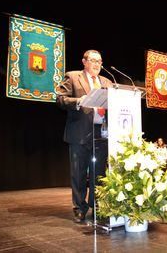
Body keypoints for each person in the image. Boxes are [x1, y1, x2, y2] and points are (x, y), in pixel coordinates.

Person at [56, 49, 113, 223]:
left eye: (100, 61)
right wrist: (78, 101)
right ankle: (79, 208)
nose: (97, 64)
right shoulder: (73, 77)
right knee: (79, 173)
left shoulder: (107, 82)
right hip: (79, 133)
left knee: (99, 174)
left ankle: (97, 207)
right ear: (84, 61)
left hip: (101, 133)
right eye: (93, 60)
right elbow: (60, 98)